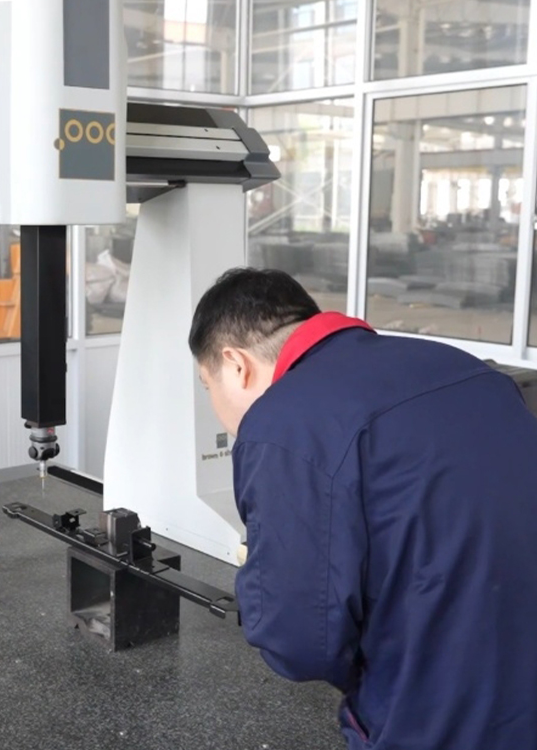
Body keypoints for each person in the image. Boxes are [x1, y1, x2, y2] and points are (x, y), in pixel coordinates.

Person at [188, 267, 537, 750]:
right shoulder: (463, 367)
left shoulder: (283, 423)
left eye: (207, 385)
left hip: (435, 716)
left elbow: (299, 641)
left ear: (235, 364)